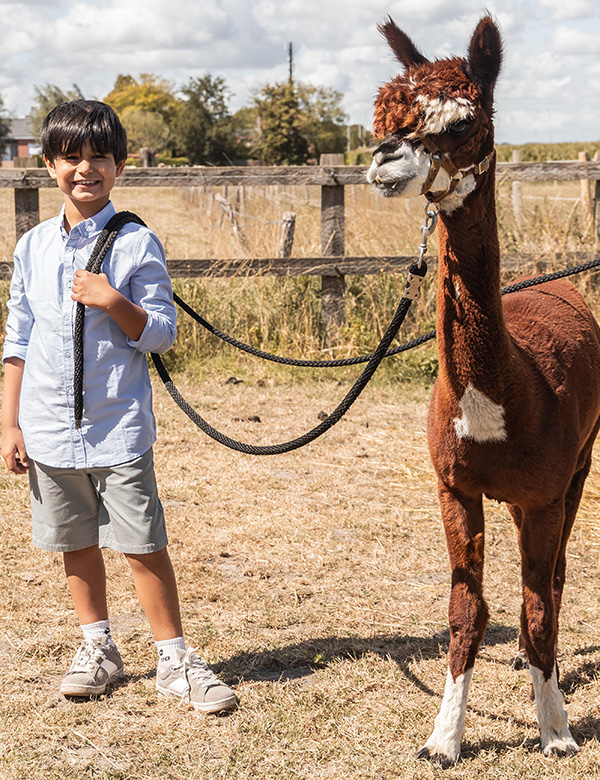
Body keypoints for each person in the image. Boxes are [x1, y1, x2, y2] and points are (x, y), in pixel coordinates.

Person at [1, 100, 236, 714]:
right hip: (49, 428)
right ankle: (98, 646)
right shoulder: (31, 247)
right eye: (71, 157)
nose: (85, 168)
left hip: (117, 428)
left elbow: (162, 332)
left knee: (141, 542)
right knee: (73, 541)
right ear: (49, 165)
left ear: (120, 166)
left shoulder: (135, 242)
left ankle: (176, 659)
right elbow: (18, 338)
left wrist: (112, 300)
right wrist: (10, 421)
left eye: (99, 157)